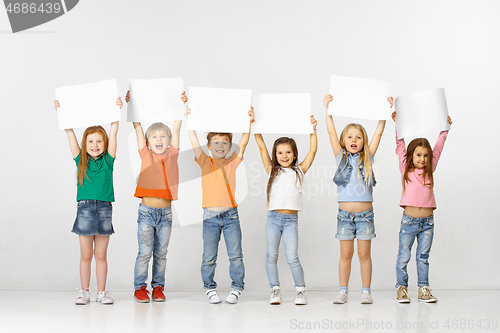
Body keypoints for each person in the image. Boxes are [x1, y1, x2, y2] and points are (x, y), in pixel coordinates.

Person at [324, 94, 393, 304]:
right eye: (350, 137)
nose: (354, 140)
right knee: (346, 255)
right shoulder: (341, 157)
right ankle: (343, 291)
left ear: (364, 141)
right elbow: (330, 131)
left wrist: (385, 111)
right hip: (345, 216)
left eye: (359, 137)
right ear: (344, 141)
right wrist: (328, 110)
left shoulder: (368, 156)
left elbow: (379, 133)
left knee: (364, 254)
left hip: (365, 216)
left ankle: (365, 291)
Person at [55, 97, 123, 305]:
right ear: (85, 144)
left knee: (100, 254)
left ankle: (101, 292)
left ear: (105, 144)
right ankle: (84, 291)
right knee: (86, 255)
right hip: (84, 209)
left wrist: (116, 110)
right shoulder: (80, 160)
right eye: (91, 141)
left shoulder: (108, 160)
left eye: (99, 141)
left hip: (103, 210)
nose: (95, 145)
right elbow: (70, 134)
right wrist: (62, 112)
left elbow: (113, 132)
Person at [185, 105, 254, 304]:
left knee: (235, 255)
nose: (220, 145)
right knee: (209, 256)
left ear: (230, 146)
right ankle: (209, 287)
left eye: (225, 142)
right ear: (209, 146)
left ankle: (237, 287)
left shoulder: (232, 161)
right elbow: (193, 139)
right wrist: (191, 119)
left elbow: (244, 141)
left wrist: (248, 122)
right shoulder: (204, 161)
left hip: (231, 216)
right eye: (216, 142)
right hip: (210, 218)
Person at [125, 91, 187, 303]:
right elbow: (137, 127)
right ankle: (140, 288)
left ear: (169, 141)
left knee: (161, 254)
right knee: (144, 253)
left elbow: (178, 126)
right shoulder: (145, 154)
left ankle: (158, 287)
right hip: (146, 213)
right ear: (147, 142)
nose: (158, 139)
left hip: (166, 214)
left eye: (163, 136)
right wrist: (132, 105)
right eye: (154, 136)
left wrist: (181, 105)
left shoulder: (173, 154)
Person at [254, 115, 317, 305]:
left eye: (288, 152)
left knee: (292, 257)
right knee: (271, 256)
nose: (284, 156)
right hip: (273, 219)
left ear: (294, 154)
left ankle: (300, 291)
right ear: (276, 155)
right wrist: (255, 124)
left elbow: (313, 151)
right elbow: (262, 147)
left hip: (290, 221)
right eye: (280, 153)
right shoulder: (272, 170)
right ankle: (275, 289)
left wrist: (313, 129)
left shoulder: (299, 171)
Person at [393, 111, 452, 303]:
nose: (423, 159)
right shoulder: (406, 169)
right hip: (409, 221)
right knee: (404, 256)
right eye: (419, 155)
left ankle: (423, 289)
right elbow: (400, 145)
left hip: (427, 222)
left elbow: (438, 149)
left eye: (426, 156)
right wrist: (397, 124)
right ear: (411, 156)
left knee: (423, 257)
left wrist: (445, 130)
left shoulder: (430, 169)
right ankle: (402, 288)